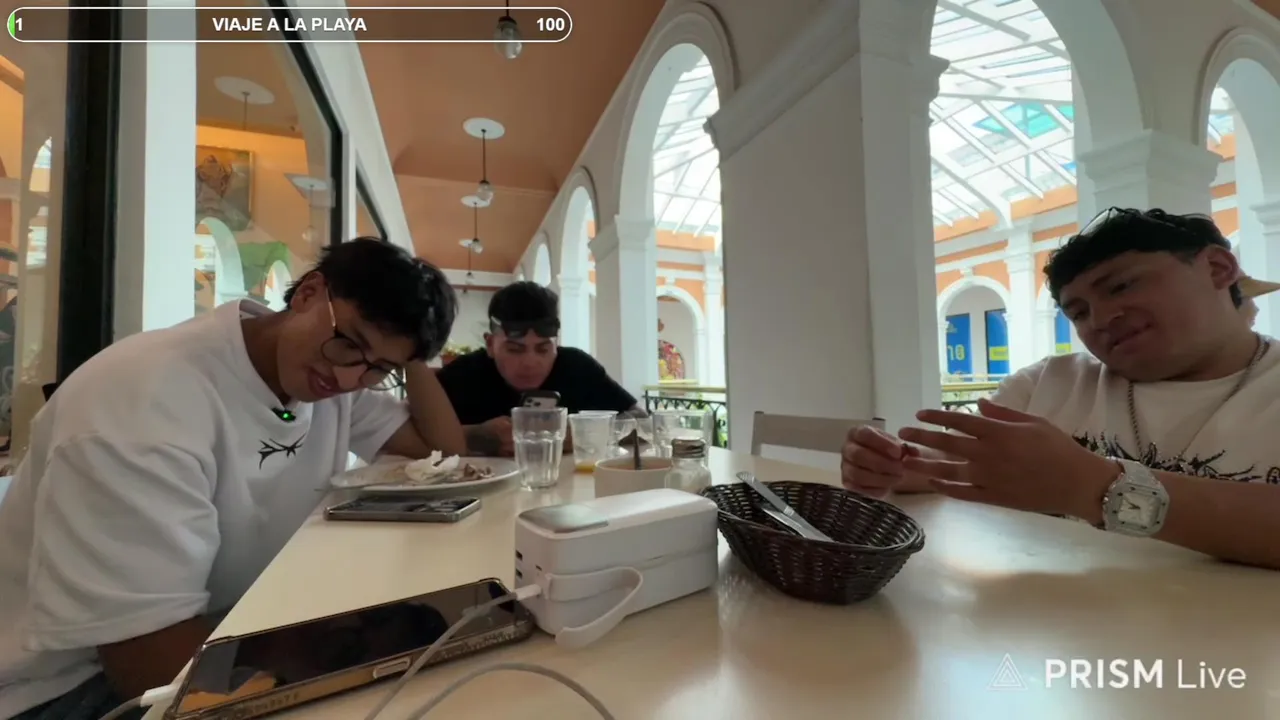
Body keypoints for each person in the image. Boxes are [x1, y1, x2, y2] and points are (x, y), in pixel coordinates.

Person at [0, 237, 466, 719]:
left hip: (218, 633)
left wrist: (410, 344)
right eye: (351, 342)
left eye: (378, 369)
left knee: (433, 653)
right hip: (64, 690)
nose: (350, 378)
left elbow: (442, 451)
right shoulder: (146, 404)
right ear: (309, 293)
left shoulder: (326, 376)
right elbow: (148, 664)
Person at [842, 208, 1280, 569]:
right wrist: (893, 465)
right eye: (1079, 312)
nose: (1102, 319)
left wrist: (1096, 487)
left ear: (1218, 269)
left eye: (1122, 285)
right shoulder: (1046, 385)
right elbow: (949, 467)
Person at [436, 281, 644, 456]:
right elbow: (416, 437)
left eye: (543, 349)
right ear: (490, 344)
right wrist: (474, 436)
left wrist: (583, 433)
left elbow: (641, 421)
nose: (530, 362)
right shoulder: (461, 375)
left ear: (556, 344)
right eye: (515, 350)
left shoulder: (577, 366)